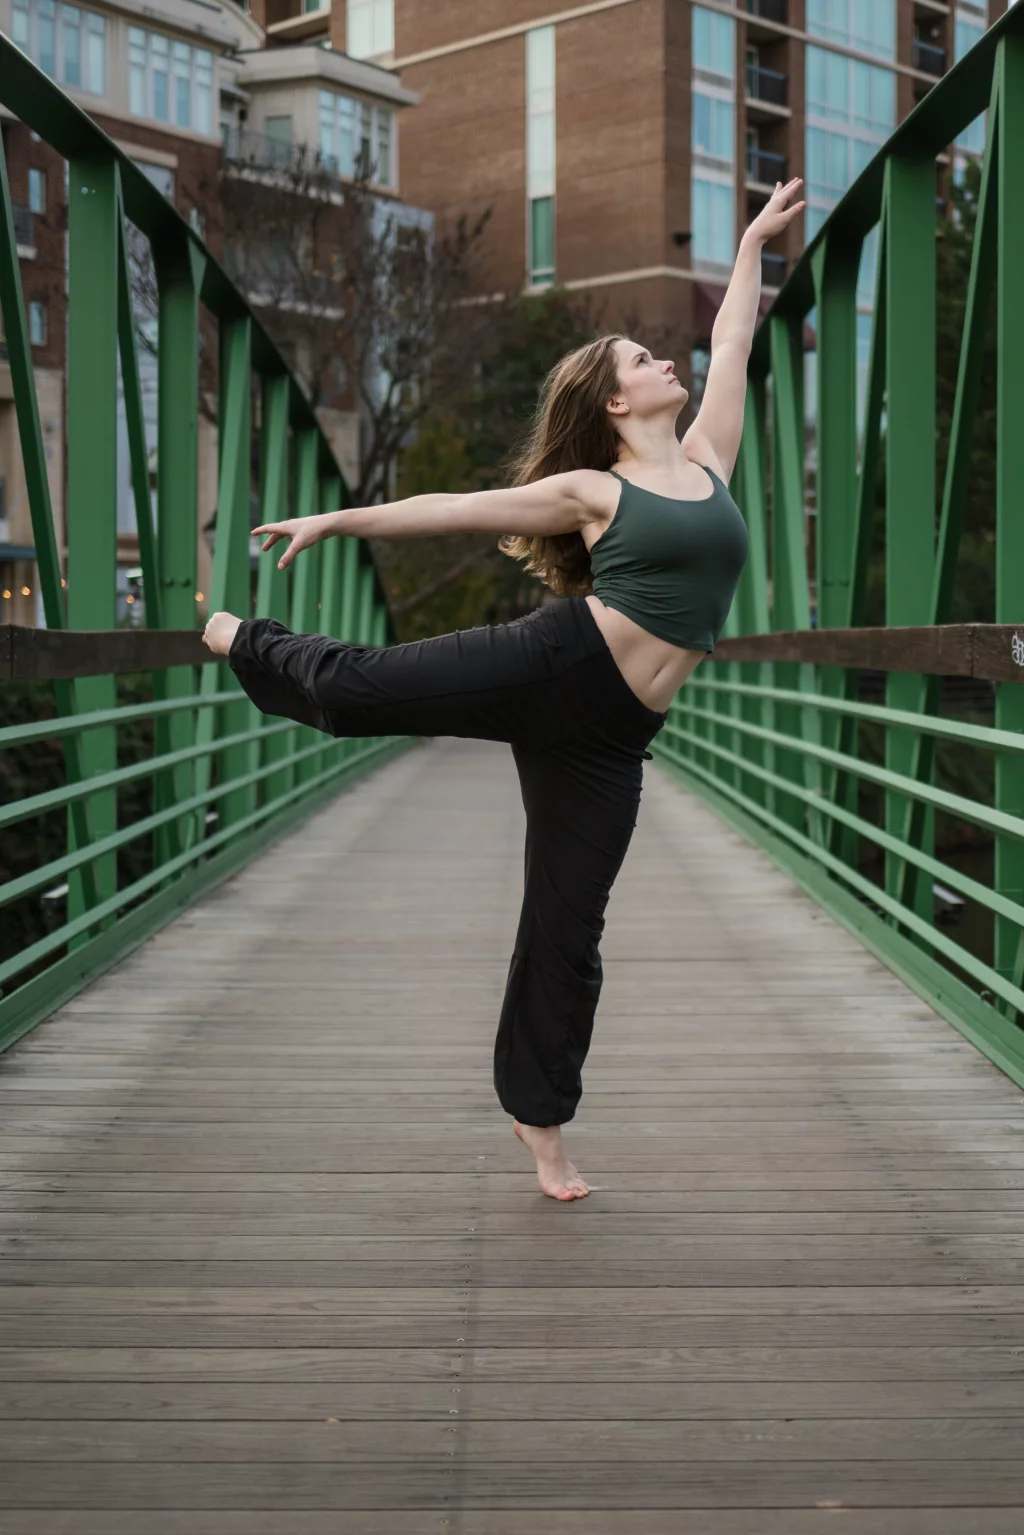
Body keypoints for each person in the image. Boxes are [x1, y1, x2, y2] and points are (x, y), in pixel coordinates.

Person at [202, 179, 805, 1202]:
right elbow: (454, 507)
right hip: (555, 661)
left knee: (567, 930)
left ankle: (541, 1122)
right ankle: (235, 635)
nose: (667, 360)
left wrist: (750, 243)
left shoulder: (709, 459)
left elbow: (738, 344)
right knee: (363, 691)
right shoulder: (594, 491)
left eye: (660, 355)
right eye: (642, 360)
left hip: (611, 738)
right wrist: (335, 522)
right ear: (615, 403)